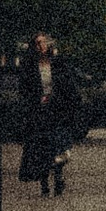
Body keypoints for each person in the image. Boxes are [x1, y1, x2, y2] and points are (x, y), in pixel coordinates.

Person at [16, 30, 68, 195]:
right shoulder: (30, 66)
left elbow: (65, 84)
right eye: (38, 43)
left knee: (57, 146)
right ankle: (44, 182)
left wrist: (56, 98)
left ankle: (58, 178)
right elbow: (24, 89)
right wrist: (36, 99)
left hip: (54, 110)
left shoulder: (56, 63)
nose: (41, 46)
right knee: (41, 147)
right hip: (38, 112)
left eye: (43, 42)